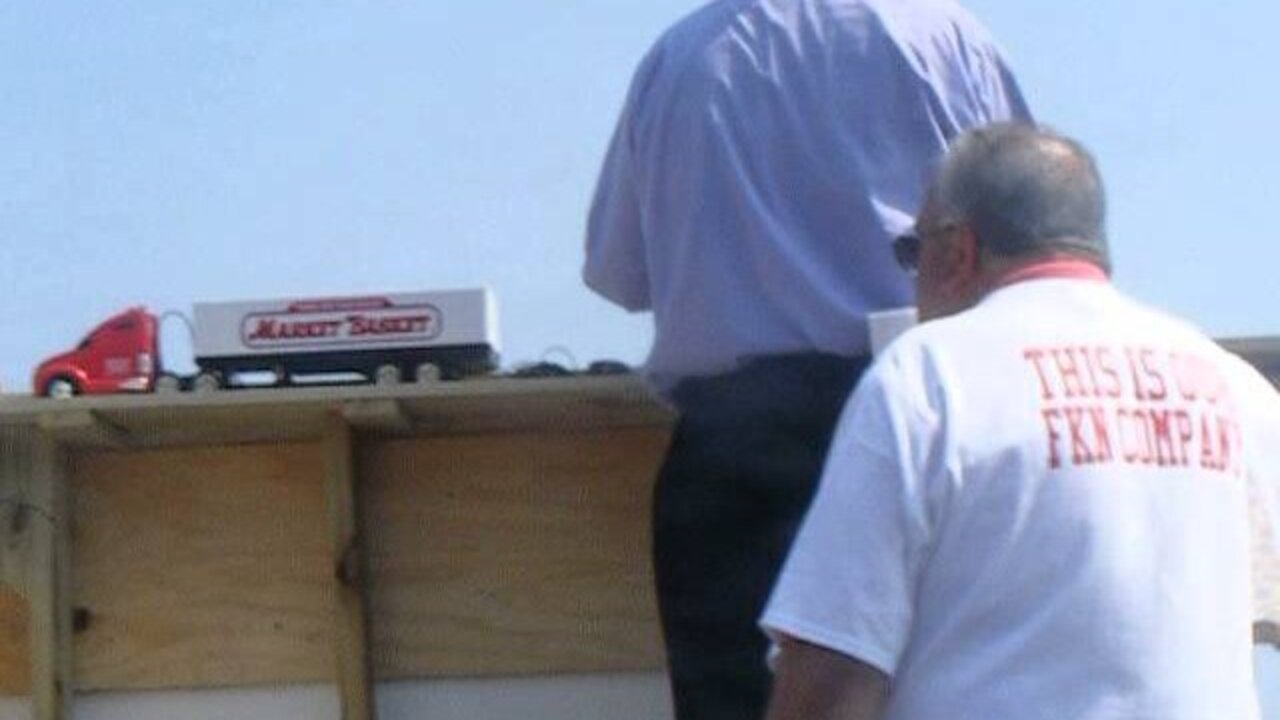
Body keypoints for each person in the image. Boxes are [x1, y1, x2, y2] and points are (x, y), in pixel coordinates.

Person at [583, 1, 1030, 717]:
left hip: (732, 456)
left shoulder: (678, 60)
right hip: (926, 422)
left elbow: (619, 272)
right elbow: (1031, 233)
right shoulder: (945, 37)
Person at [761, 122, 1275, 720]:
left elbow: (834, 666)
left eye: (912, 251)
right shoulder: (1233, 386)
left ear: (958, 252)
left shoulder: (929, 376)